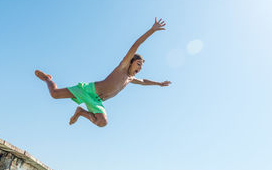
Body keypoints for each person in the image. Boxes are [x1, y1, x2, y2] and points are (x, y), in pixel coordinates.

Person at [35, 18, 171, 127]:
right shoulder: (122, 67)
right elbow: (135, 45)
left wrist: (159, 83)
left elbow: (144, 81)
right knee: (54, 94)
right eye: (138, 64)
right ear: (130, 62)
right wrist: (152, 30)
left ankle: (81, 112)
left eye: (141, 66)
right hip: (88, 90)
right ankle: (47, 78)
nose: (140, 68)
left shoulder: (129, 78)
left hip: (97, 101)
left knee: (102, 122)